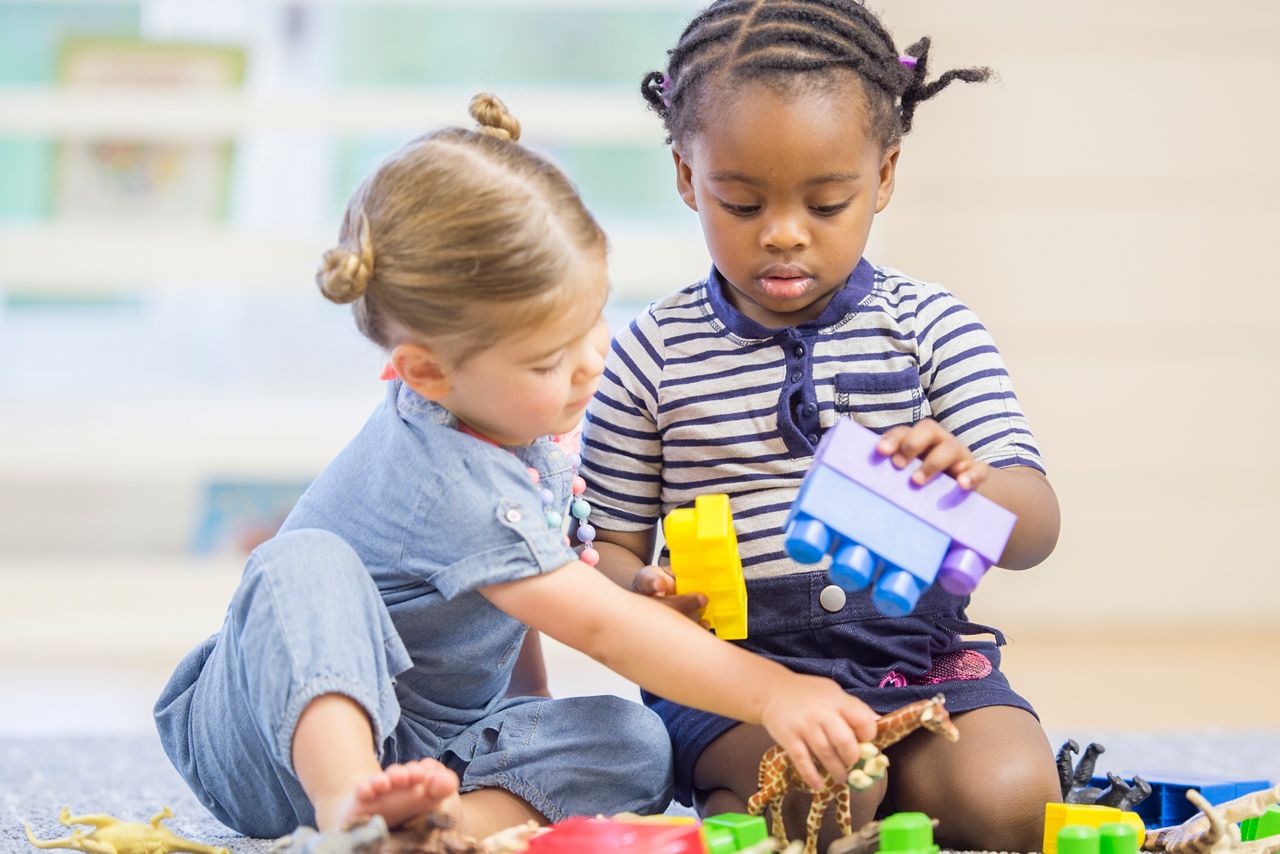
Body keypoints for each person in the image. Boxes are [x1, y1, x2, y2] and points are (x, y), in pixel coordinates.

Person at [154, 93, 880, 843]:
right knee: (301, 564)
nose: (592, 361)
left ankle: (441, 826)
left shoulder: (511, 421)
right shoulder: (447, 471)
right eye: (547, 359)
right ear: (426, 373)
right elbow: (600, 628)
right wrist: (775, 694)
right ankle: (353, 810)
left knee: (637, 742)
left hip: (436, 742)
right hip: (265, 742)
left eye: (594, 318)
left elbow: (525, 594)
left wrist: (546, 698)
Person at [580, 3, 1064, 851]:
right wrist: (642, 594)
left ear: (882, 176)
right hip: (739, 675)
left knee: (1012, 801)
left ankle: (905, 775)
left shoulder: (932, 327)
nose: (783, 235)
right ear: (689, 177)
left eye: (828, 202)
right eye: (740, 202)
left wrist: (974, 490)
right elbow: (606, 553)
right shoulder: (651, 353)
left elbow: (1034, 531)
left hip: (922, 657)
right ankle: (775, 792)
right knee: (819, 798)